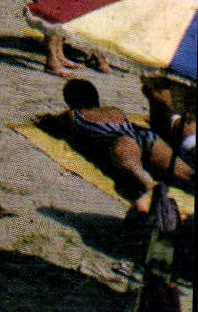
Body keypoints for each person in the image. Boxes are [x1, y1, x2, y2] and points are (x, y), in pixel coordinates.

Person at [55, 78, 195, 213]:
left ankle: (152, 192)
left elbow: (52, 124)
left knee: (141, 178)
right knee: (188, 175)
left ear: (70, 101)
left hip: (122, 141)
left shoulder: (73, 115)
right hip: (145, 136)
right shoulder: (114, 110)